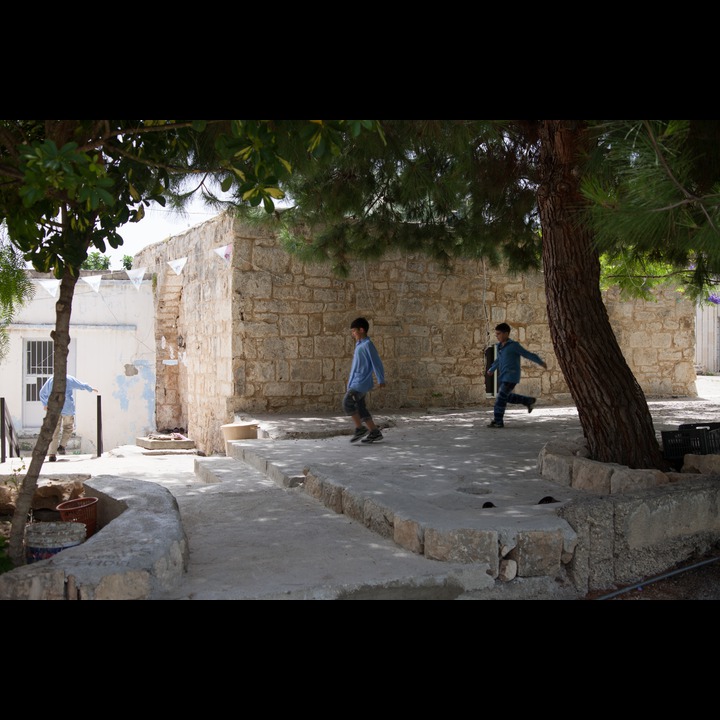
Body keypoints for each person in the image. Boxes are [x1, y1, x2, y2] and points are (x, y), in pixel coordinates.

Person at [486, 322, 547, 428]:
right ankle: (528, 401)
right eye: (496, 334)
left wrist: (540, 362)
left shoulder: (514, 346)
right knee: (506, 397)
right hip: (504, 376)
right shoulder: (500, 347)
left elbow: (527, 354)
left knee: (500, 398)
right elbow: (498, 360)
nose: (497, 336)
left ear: (506, 334)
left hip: (511, 376)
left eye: (499, 334)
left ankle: (498, 421)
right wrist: (492, 369)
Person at [344, 317, 386, 443]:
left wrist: (381, 379)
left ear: (361, 330)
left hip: (360, 383)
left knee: (346, 403)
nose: (353, 334)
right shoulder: (359, 345)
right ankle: (374, 432)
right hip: (355, 381)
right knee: (361, 408)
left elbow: (376, 363)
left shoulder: (368, 345)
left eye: (354, 331)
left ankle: (360, 429)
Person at [39, 374, 99, 461]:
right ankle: (62, 446)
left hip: (54, 408)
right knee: (68, 428)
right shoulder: (69, 378)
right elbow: (81, 385)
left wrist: (45, 404)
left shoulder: (51, 379)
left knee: (55, 431)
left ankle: (52, 454)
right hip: (67, 408)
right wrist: (90, 388)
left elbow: (42, 392)